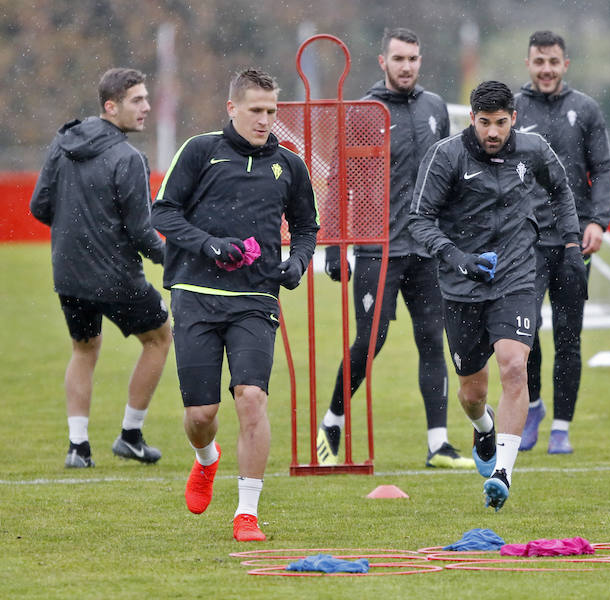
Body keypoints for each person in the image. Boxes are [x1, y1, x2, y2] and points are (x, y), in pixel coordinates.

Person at [151, 68, 319, 541]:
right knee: (201, 415)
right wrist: (210, 245)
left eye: (271, 111)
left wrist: (298, 262)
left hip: (256, 298)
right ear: (232, 108)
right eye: (256, 111)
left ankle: (247, 512)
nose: (265, 120)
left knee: (251, 397)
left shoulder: (290, 165)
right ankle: (206, 458)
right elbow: (162, 212)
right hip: (196, 295)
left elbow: (306, 227)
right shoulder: (200, 151)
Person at [409, 81, 583, 510]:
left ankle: (502, 473)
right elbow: (420, 219)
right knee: (472, 393)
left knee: (514, 366)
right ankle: (483, 427)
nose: (492, 132)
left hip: (517, 276)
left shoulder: (534, 150)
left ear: (513, 119)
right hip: (462, 286)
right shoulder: (447, 156)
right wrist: (458, 258)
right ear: (471, 118)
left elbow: (561, 190)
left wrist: (571, 244)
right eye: (484, 122)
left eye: (501, 123)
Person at [317, 28, 474, 470]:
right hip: (376, 248)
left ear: (420, 61)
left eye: (413, 58)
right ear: (383, 62)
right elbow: (338, 180)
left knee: (432, 340)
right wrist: (334, 245)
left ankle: (439, 445)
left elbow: (448, 176)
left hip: (427, 249)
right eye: (399, 58)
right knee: (370, 342)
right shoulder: (363, 111)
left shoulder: (435, 107)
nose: (407, 66)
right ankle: (332, 420)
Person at [30, 68, 172, 469]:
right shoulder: (129, 158)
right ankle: (131, 435)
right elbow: (142, 233)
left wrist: (77, 234)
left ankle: (78, 448)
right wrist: (174, 258)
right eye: (137, 100)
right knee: (160, 337)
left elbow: (39, 206)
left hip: (68, 274)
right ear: (111, 106)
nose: (146, 107)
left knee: (84, 348)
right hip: (115, 277)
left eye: (146, 98)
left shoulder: (63, 141)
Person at [514, 30, 610, 455]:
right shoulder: (513, 109)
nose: (546, 69)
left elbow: (603, 169)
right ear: (528, 63)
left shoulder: (585, 109)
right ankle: (534, 407)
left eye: (553, 62)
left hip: (574, 240)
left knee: (569, 336)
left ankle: (561, 428)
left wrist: (598, 222)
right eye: (539, 61)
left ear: (565, 64)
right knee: (525, 333)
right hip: (526, 241)